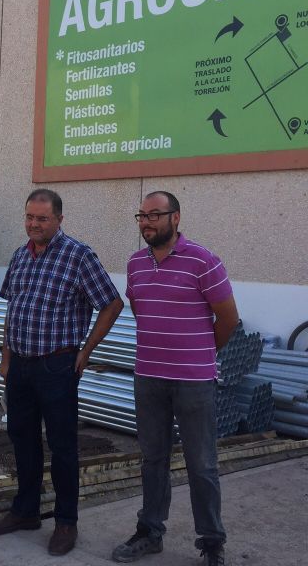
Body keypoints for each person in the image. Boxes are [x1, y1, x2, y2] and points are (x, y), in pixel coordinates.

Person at [0, 189, 123, 556]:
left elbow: (112, 304)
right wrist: (6, 357)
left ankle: (65, 522)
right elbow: (13, 309)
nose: (34, 224)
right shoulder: (20, 255)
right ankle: (26, 511)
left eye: (42, 219)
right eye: (29, 217)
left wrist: (86, 351)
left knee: (62, 446)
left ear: (59, 219)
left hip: (57, 366)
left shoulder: (79, 256)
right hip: (20, 366)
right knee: (22, 438)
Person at [112, 191, 239, 566]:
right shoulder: (135, 263)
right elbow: (142, 310)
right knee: (152, 459)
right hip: (149, 377)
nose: (147, 222)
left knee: (202, 463)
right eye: (142, 216)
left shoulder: (203, 260)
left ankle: (211, 542)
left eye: (155, 214)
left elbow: (228, 319)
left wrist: (198, 355)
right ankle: (150, 532)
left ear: (176, 217)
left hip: (193, 382)